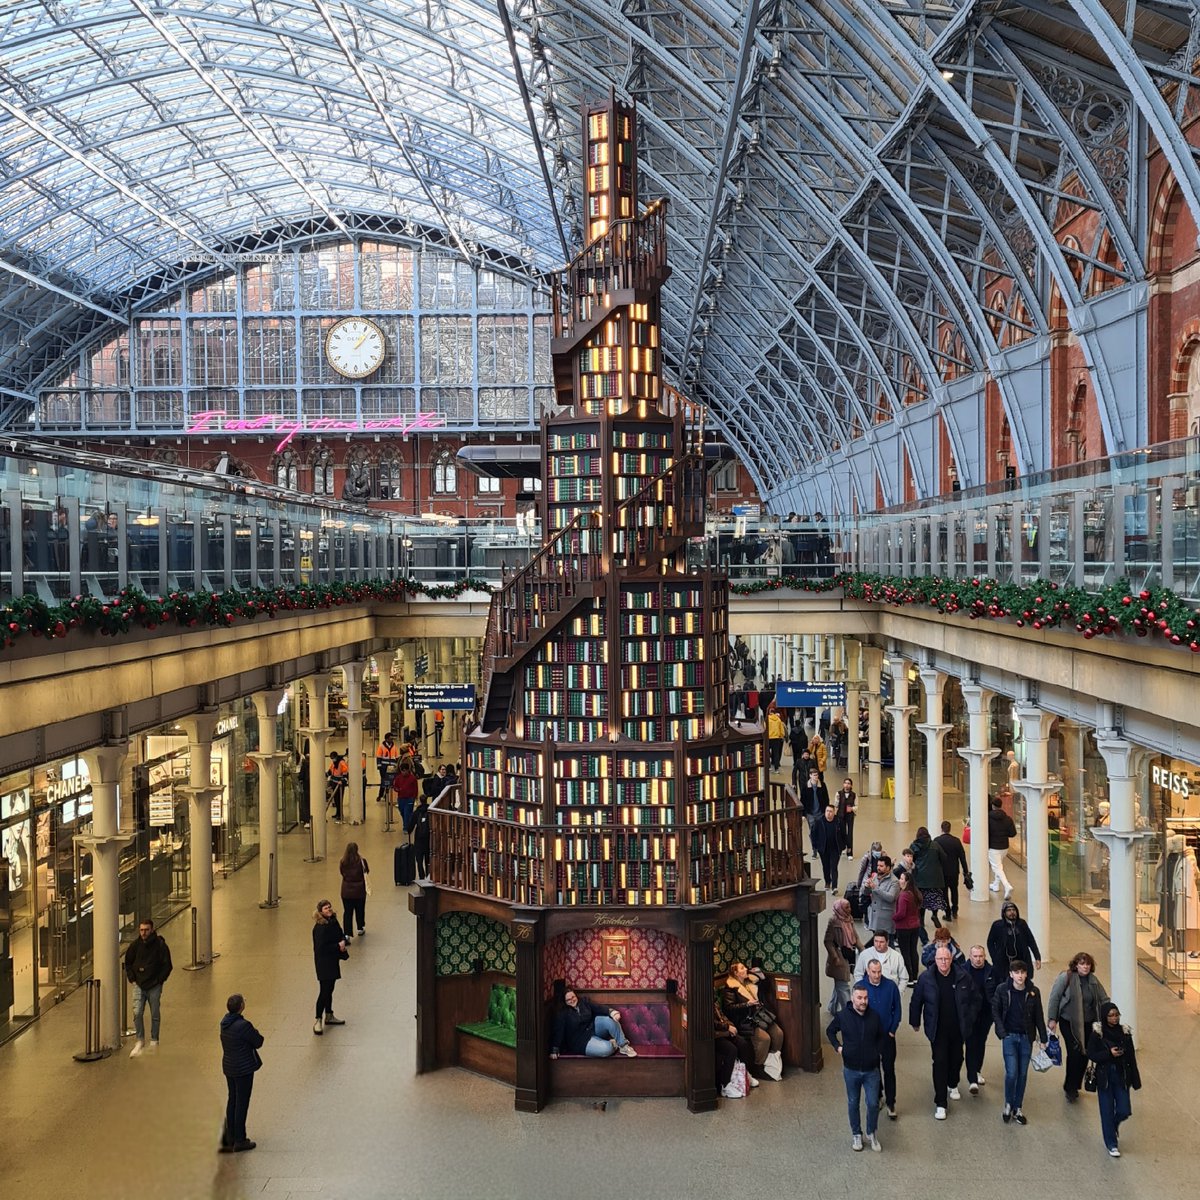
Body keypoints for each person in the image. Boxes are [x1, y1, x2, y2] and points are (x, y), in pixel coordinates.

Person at [909, 944, 981, 1120]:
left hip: (958, 1029)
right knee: (940, 1061)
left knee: (957, 1058)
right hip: (937, 1029)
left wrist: (969, 1018)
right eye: (940, 959)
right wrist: (915, 1021)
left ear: (951, 960)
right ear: (935, 960)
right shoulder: (926, 978)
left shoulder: (963, 977)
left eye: (947, 959)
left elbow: (975, 999)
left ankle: (952, 1083)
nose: (944, 962)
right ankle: (941, 1102)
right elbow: (916, 1000)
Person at [827, 982, 885, 1152]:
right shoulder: (843, 1016)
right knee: (853, 1102)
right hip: (851, 1069)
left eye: (865, 998)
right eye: (859, 998)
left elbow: (881, 1037)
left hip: (871, 1070)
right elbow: (830, 1031)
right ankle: (856, 1134)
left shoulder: (875, 1016)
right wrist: (838, 1047)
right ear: (852, 998)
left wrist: (877, 1052)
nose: (863, 1001)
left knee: (873, 1103)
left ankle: (871, 1132)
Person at [990, 958, 1048, 1125]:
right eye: (1016, 973)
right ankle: (1008, 1103)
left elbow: (1038, 1015)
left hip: (1026, 1038)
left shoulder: (1033, 992)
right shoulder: (1002, 990)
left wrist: (1043, 1038)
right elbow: (996, 1010)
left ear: (1026, 974)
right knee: (1012, 1072)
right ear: (1011, 974)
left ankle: (1018, 1107)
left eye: (1022, 972)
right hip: (1009, 1037)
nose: (1020, 976)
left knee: (1022, 1074)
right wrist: (1002, 1032)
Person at [1048, 951, 1109, 1102]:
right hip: (1069, 1021)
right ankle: (1070, 1087)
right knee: (1074, 1052)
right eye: (1082, 964)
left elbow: (1104, 999)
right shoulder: (1066, 978)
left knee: (1085, 1054)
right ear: (1076, 965)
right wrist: (1052, 1019)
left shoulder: (1093, 981)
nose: (1085, 967)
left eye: (1088, 964)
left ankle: (1076, 1084)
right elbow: (1055, 997)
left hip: (1088, 1023)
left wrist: (1109, 1016)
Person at [1086, 1001, 1141, 1157]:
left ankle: (1114, 1125)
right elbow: (1091, 1054)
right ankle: (1111, 1143)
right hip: (1105, 1077)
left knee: (1124, 1110)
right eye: (1111, 1016)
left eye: (1117, 1015)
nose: (1114, 1018)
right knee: (1106, 1111)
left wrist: (1136, 1080)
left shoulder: (1125, 1033)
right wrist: (1109, 1053)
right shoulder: (1098, 1034)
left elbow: (1131, 1057)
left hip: (1122, 1075)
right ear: (1105, 1017)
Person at [721, 960, 784, 1080]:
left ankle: (771, 1061)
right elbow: (728, 1008)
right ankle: (758, 1066)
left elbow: (765, 988)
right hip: (745, 1021)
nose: (745, 969)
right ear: (736, 973)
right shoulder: (730, 989)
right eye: (742, 968)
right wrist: (747, 1004)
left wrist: (761, 976)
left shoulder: (750, 982)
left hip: (760, 1016)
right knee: (764, 1039)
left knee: (778, 1033)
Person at [219, 993, 264, 1153]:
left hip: (229, 1067)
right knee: (242, 1102)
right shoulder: (243, 1025)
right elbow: (258, 1041)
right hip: (243, 1068)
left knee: (232, 1099)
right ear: (240, 1007)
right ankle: (240, 1139)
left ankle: (229, 1137)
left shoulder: (224, 1023)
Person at [858, 957, 902, 1121]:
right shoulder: (861, 987)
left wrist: (892, 1030)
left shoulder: (890, 986)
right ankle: (877, 1095)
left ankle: (891, 1102)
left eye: (879, 972)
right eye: (873, 972)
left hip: (887, 1035)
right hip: (869, 1037)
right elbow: (856, 1009)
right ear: (868, 971)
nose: (876, 975)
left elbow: (897, 1009)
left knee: (889, 1069)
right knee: (873, 1069)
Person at [124, 917, 173, 1057]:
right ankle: (140, 1040)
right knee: (137, 1012)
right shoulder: (135, 946)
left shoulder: (160, 945)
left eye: (146, 930)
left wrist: (159, 980)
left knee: (155, 1013)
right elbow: (128, 962)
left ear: (152, 930)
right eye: (141, 930)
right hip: (139, 984)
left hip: (154, 986)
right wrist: (132, 979)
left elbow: (167, 965)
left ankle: (154, 1040)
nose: (143, 933)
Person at [550, 988, 637, 1058]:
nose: (572, 1000)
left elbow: (598, 1007)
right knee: (607, 1049)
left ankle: (623, 1045)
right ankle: (613, 1043)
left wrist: (612, 1012)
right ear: (565, 1002)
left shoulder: (584, 1001)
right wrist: (555, 1049)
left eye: (573, 997)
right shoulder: (562, 1013)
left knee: (609, 1020)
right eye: (568, 1000)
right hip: (581, 1041)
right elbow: (558, 1031)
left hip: (593, 1029)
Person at [312, 898, 348, 1035]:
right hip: (324, 963)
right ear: (320, 911)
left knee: (330, 988)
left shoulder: (333, 922)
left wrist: (343, 941)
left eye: (329, 907)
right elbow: (321, 948)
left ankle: (329, 1014)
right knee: (324, 990)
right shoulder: (320, 928)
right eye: (326, 908)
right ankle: (318, 1019)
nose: (329, 909)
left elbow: (340, 934)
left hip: (332, 960)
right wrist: (337, 946)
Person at [963, 944, 995, 1094]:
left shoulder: (991, 971)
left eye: (980, 956)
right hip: (970, 1014)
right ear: (970, 957)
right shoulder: (963, 971)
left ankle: (977, 1069)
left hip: (986, 1014)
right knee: (971, 1043)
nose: (978, 959)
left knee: (981, 1042)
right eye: (975, 956)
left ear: (985, 956)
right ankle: (972, 1079)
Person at [987, 900, 1042, 983]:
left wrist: (1037, 957)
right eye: (1009, 910)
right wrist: (995, 958)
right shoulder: (997, 925)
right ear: (1004, 913)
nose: (1012, 912)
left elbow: (1031, 940)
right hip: (1004, 961)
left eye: (1014, 910)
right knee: (1004, 982)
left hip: (1021, 959)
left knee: (1023, 980)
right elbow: (990, 942)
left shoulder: (1022, 924)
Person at [824, 898, 862, 1014]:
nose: (850, 909)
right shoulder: (833, 922)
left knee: (840, 984)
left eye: (849, 906)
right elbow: (828, 941)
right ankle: (849, 1013)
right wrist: (835, 957)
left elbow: (855, 937)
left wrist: (864, 951)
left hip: (849, 954)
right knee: (843, 986)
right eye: (846, 907)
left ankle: (832, 1007)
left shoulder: (849, 919)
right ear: (839, 909)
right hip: (839, 958)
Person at [713, 1000, 758, 1098]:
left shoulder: (714, 1000)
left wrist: (730, 1025)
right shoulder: (702, 1002)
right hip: (714, 1035)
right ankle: (725, 1085)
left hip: (723, 1031)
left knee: (743, 1044)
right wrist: (727, 1026)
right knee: (731, 1050)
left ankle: (744, 1074)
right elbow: (712, 1023)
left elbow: (722, 1016)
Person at [909, 826, 947, 936]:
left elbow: (910, 860)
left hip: (920, 879)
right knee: (934, 898)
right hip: (935, 878)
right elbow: (944, 857)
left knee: (921, 901)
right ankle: (934, 914)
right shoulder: (935, 845)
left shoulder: (914, 846)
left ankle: (921, 920)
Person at [933, 820, 970, 919]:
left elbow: (934, 858)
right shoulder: (956, 841)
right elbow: (962, 857)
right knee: (954, 891)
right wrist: (966, 871)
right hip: (954, 872)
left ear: (941, 829)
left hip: (942, 873)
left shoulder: (936, 841)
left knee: (944, 893)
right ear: (950, 829)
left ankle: (947, 913)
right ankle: (955, 911)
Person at [893, 872, 922, 986]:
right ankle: (915, 976)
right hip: (915, 926)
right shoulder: (915, 893)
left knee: (905, 952)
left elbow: (901, 913)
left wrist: (893, 917)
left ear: (906, 881)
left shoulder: (904, 895)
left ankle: (909, 978)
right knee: (913, 951)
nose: (899, 880)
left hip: (904, 927)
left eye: (901, 878)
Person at [987, 794, 1017, 899]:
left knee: (997, 867)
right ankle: (995, 884)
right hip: (1004, 846)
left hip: (993, 847)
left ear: (992, 805)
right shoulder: (1008, 819)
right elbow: (1013, 833)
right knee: (999, 866)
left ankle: (1007, 885)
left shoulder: (988, 818)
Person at [811, 803, 846, 890]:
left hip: (835, 849)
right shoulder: (819, 822)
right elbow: (813, 834)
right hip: (824, 849)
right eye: (827, 811)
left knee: (834, 867)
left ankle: (834, 886)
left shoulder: (839, 821)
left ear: (834, 812)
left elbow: (844, 834)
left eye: (830, 811)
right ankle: (827, 882)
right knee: (826, 867)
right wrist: (816, 846)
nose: (828, 813)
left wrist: (844, 845)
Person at [339, 842, 369, 939]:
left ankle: (347, 933)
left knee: (347, 912)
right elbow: (366, 871)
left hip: (346, 891)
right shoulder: (361, 861)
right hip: (359, 891)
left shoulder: (343, 861)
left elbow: (342, 873)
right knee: (360, 910)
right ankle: (360, 927)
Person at [407, 794, 433, 883]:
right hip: (428, 839)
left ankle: (421, 877)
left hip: (419, 839)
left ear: (420, 801)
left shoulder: (417, 812)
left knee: (419, 859)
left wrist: (409, 830)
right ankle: (428, 876)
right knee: (427, 859)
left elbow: (411, 826)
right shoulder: (431, 811)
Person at [391, 758, 420, 831]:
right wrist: (397, 789)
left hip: (410, 798)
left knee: (407, 813)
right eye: (402, 771)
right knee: (402, 812)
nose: (403, 772)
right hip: (401, 798)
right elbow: (395, 786)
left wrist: (414, 797)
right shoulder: (398, 778)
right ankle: (409, 823)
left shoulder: (412, 778)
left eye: (404, 770)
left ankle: (406, 827)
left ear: (408, 770)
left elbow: (415, 788)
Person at [834, 778, 857, 858]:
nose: (847, 785)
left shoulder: (854, 795)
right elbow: (836, 805)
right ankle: (843, 847)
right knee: (842, 832)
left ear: (851, 785)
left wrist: (852, 809)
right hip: (840, 815)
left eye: (848, 783)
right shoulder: (838, 793)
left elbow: (856, 806)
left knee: (850, 833)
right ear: (843, 784)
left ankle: (850, 852)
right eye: (845, 783)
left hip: (850, 816)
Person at [375, 731, 399, 801]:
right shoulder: (381, 747)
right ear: (386, 739)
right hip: (383, 767)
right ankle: (380, 795)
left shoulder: (394, 746)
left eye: (392, 739)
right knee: (384, 781)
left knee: (391, 781)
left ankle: (387, 795)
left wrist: (397, 765)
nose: (391, 740)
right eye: (390, 738)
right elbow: (378, 757)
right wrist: (379, 766)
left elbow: (397, 756)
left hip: (392, 767)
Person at [326, 751, 348, 822]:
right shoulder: (334, 763)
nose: (333, 760)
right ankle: (337, 813)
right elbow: (330, 771)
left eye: (333, 758)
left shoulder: (341, 762)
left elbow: (345, 772)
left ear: (336, 757)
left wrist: (343, 780)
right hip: (334, 783)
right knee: (336, 800)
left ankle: (340, 814)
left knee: (339, 799)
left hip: (339, 784)